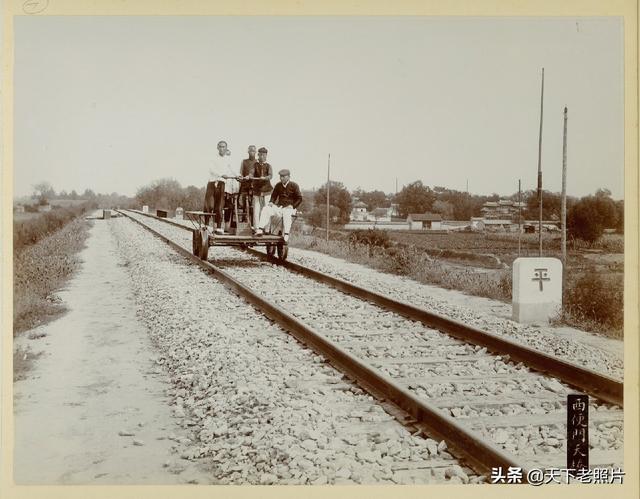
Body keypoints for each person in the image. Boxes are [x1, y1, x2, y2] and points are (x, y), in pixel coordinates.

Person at [254, 169, 302, 242]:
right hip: (280, 207)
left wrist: (293, 206)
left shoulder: (294, 185)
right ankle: (260, 229)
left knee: (287, 213)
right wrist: (271, 202)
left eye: (283, 176)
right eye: (280, 176)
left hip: (290, 208)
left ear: (289, 177)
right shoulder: (278, 185)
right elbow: (274, 196)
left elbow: (299, 198)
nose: (281, 178)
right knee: (266, 209)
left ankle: (286, 234)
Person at [204, 140, 239, 234]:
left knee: (219, 206)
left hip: (222, 184)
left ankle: (219, 227)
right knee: (209, 205)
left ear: (226, 148)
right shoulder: (213, 158)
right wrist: (221, 174)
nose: (222, 149)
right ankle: (207, 225)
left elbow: (233, 169)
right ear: (217, 148)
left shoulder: (228, 159)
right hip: (212, 183)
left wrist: (238, 175)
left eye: (224, 147)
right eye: (220, 147)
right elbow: (211, 169)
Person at [251, 147, 273, 228]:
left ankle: (267, 229)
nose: (262, 157)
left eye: (264, 155)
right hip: (257, 190)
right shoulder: (255, 165)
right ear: (258, 155)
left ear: (266, 156)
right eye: (260, 155)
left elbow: (270, 175)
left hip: (267, 190)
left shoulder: (268, 166)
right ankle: (256, 227)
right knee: (256, 209)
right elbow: (251, 173)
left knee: (267, 209)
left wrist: (265, 178)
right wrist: (249, 176)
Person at [238, 145, 257, 223]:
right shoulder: (244, 161)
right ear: (248, 152)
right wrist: (241, 178)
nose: (252, 152)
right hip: (245, 185)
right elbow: (241, 172)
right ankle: (244, 220)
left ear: (255, 152)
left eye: (253, 151)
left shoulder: (258, 162)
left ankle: (253, 223)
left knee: (254, 205)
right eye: (250, 151)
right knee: (245, 203)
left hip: (254, 186)